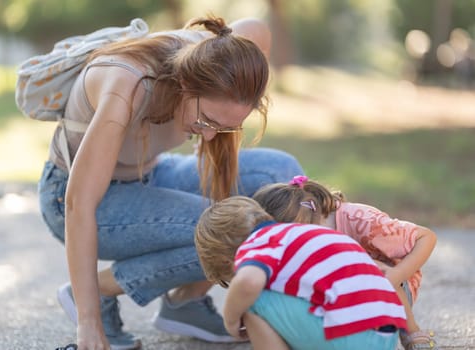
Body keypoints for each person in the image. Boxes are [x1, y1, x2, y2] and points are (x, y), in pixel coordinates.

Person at [37, 13, 304, 350]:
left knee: (281, 175)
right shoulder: (126, 86)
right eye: (206, 120)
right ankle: (93, 293)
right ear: (184, 86)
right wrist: (88, 325)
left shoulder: (223, 51)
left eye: (223, 128)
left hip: (149, 171)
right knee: (236, 229)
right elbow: (79, 205)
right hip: (76, 199)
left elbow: (257, 28)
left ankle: (185, 303)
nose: (208, 137)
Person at [194, 195, 408, 350]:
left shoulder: (258, 243)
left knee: (251, 300)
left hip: (352, 337)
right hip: (384, 338)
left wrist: (231, 319)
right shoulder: (300, 234)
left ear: (226, 258)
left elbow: (248, 282)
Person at [252, 175, 439, 350]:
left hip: (390, 286)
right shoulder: (307, 233)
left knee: (365, 264)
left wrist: (396, 275)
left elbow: (426, 237)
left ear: (303, 221)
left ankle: (411, 329)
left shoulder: (363, 221)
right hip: (342, 291)